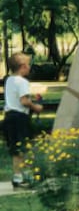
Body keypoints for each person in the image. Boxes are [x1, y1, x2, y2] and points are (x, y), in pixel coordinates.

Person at [3, 52, 43, 188]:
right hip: (20, 118)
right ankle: (26, 175)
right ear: (23, 67)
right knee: (24, 147)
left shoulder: (9, 80)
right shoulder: (23, 82)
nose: (30, 67)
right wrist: (35, 107)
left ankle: (18, 176)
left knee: (16, 148)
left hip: (9, 117)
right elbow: (24, 101)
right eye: (28, 64)